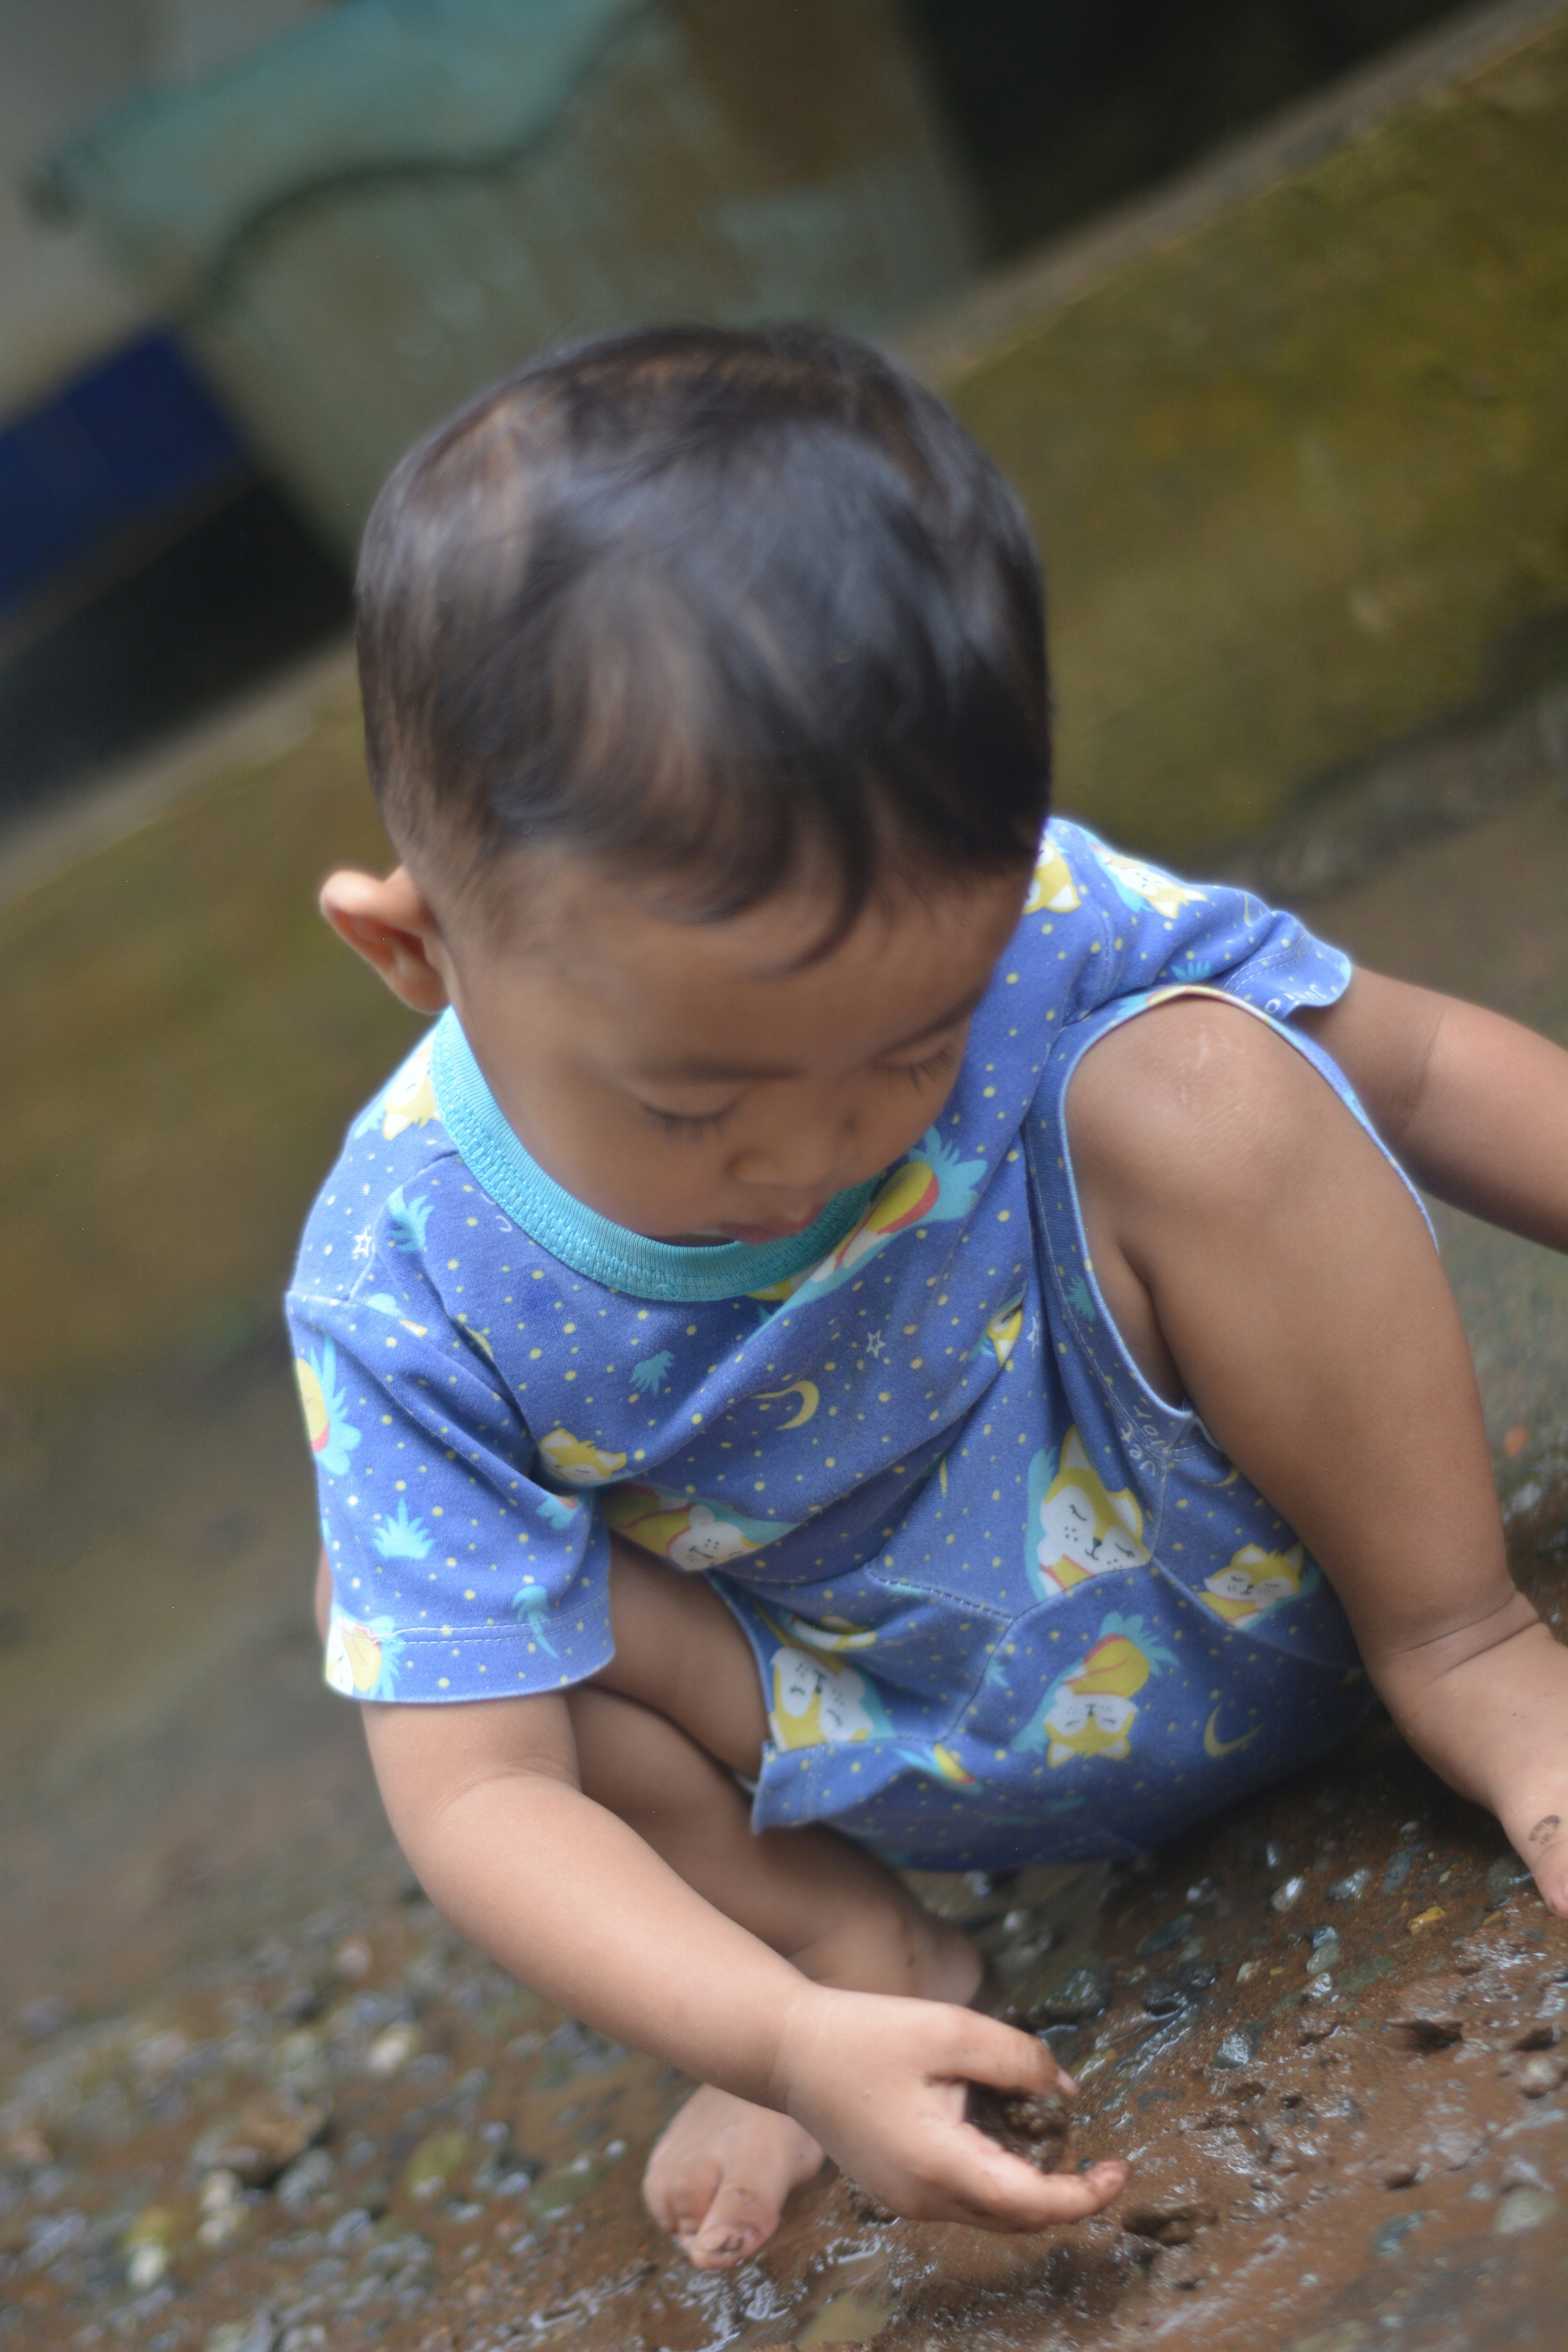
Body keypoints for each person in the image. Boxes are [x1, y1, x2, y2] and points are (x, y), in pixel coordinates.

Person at [286, 323, 1568, 2272]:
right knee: (405, 1615)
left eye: (916, 1047)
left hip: (1237, 1538)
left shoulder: (1040, 913)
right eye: (695, 1102)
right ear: (417, 950)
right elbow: (477, 1808)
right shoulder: (404, 1284)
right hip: (891, 1729)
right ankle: (853, 1948)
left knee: (1217, 1068)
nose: (814, 1155)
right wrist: (773, 2034)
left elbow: (1406, 1074)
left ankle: (1472, 1659)